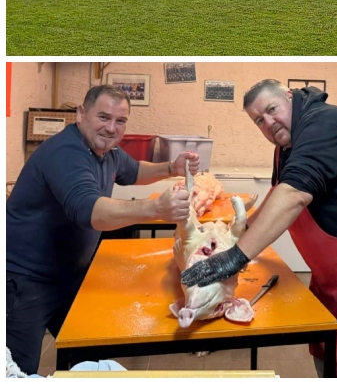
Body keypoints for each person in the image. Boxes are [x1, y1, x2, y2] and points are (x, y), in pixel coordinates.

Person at [180, 80, 337, 378]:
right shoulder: (288, 143)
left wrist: (235, 257)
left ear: (290, 97)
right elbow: (279, 191)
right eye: (259, 120)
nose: (269, 123)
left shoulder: (324, 124)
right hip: (335, 277)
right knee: (331, 355)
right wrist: (236, 236)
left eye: (272, 110)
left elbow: (294, 194)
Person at [6, 85, 200, 377]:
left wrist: (171, 167)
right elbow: (91, 212)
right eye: (103, 117)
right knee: (19, 370)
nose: (111, 128)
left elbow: (134, 170)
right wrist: (155, 210)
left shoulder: (106, 152)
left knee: (90, 355)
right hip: (24, 281)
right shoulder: (66, 153)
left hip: (69, 277)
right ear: (81, 114)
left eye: (120, 121)